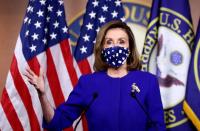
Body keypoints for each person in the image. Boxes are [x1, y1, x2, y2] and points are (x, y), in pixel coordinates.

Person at [25, 20, 166, 131]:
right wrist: (42, 95)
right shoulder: (89, 83)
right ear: (102, 48)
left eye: (121, 42)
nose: (115, 46)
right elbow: (56, 122)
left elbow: (158, 127)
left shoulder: (148, 81)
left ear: (130, 49)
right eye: (109, 42)